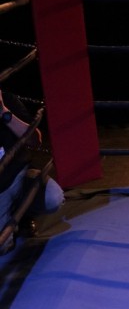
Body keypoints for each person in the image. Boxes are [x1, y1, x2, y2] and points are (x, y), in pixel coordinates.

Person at [0, 89, 65, 255]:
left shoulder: (7, 98)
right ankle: (10, 217)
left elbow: (35, 139)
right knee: (3, 245)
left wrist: (4, 113)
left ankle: (23, 217)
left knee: (53, 198)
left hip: (18, 175)